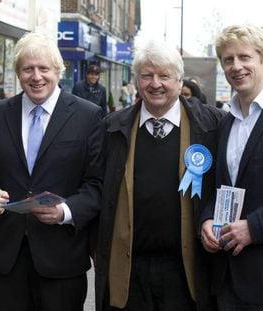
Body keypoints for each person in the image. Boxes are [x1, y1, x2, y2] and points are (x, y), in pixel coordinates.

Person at [94, 40, 223, 311]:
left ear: (178, 80)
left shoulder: (212, 125)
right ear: (137, 80)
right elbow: (94, 186)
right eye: (147, 75)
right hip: (129, 272)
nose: (155, 84)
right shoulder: (112, 128)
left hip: (187, 271)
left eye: (164, 75)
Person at [0, 32, 105, 311]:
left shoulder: (88, 116)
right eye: (28, 69)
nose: (36, 76)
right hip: (7, 258)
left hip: (61, 258)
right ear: (18, 73)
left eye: (44, 69)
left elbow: (96, 183)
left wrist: (66, 211)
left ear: (58, 71)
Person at [200, 24, 263, 310]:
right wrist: (207, 219)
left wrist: (255, 227)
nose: (236, 66)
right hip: (226, 277)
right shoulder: (225, 121)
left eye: (244, 57)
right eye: (228, 59)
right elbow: (220, 186)